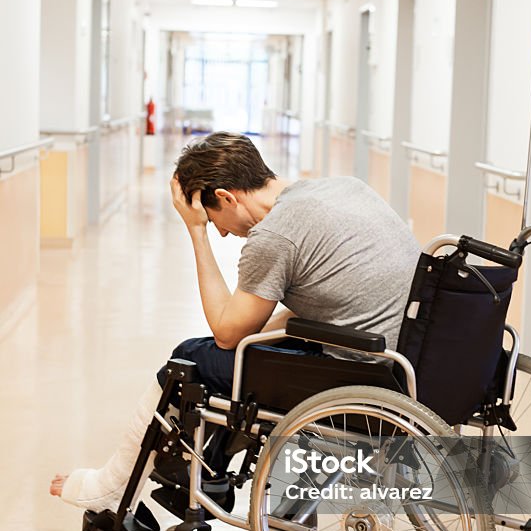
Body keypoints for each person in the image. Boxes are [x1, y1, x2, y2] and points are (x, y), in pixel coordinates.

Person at [49, 132, 422, 511]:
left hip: (359, 375)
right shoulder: (343, 189)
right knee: (248, 352)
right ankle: (222, 478)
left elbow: (227, 335)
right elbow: (333, 299)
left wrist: (196, 233)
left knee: (192, 358)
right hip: (407, 361)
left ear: (227, 197)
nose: (223, 232)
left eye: (214, 220)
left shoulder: (276, 234)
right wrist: (257, 337)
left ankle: (112, 488)